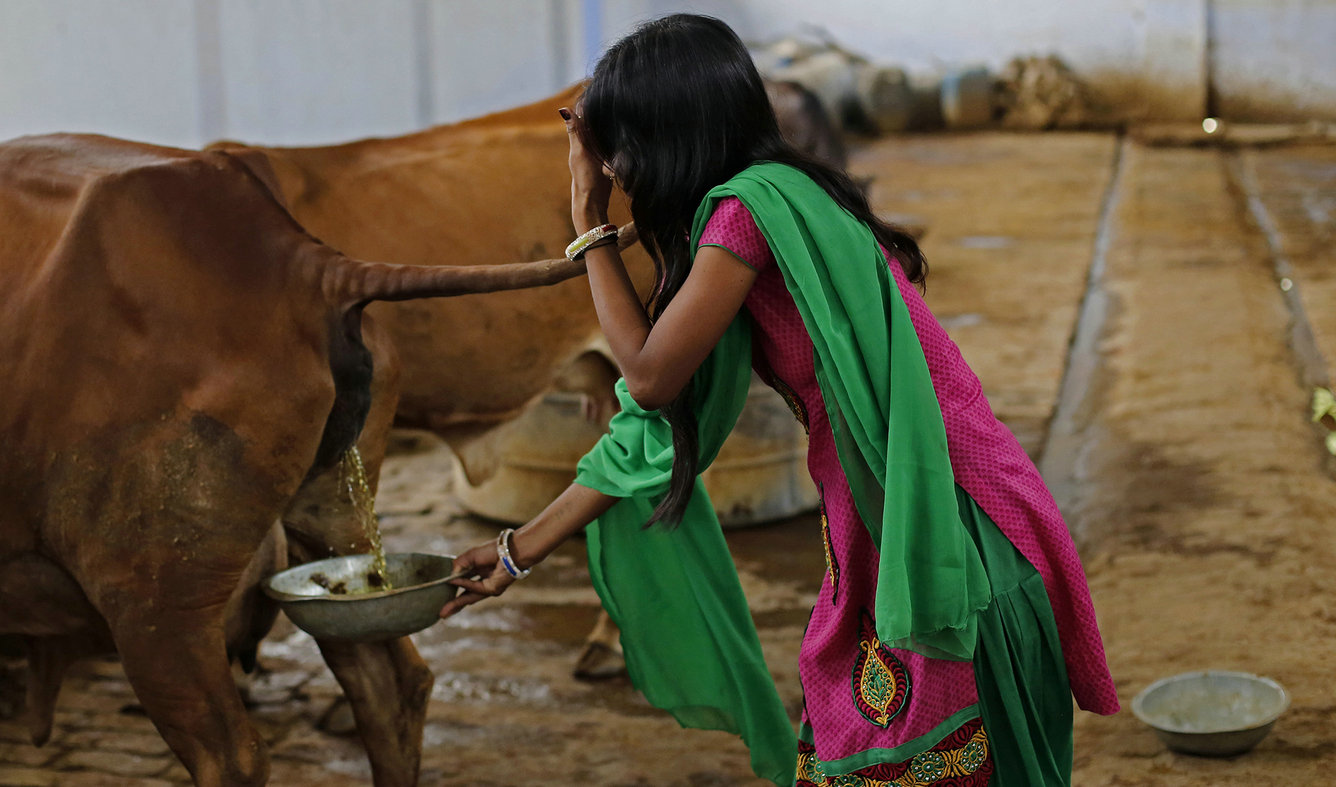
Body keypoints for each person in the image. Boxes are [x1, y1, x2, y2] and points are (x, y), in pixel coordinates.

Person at [439, 13, 1118, 786]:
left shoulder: (748, 214)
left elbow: (652, 378)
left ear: (670, 132)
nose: (615, 165)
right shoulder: (787, 194)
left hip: (945, 522)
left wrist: (589, 221)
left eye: (618, 144)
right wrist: (514, 549)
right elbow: (656, 425)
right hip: (927, 503)